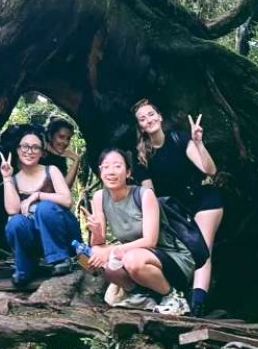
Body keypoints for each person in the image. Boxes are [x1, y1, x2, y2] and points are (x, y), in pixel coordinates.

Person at [132, 99, 224, 316]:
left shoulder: (180, 139)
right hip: (173, 209)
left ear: (160, 116)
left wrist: (199, 143)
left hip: (202, 200)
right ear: (140, 127)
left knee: (202, 249)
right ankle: (175, 297)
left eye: (151, 114)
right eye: (143, 118)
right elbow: (148, 194)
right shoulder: (142, 156)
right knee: (176, 252)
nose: (149, 120)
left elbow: (209, 170)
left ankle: (197, 305)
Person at [84, 148, 192, 315]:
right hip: (134, 256)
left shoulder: (143, 195)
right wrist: (97, 233)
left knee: (131, 259)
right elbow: (98, 245)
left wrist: (114, 250)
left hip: (171, 256)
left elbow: (150, 241)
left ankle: (174, 298)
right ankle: (142, 297)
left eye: (117, 166)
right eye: (105, 167)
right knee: (96, 259)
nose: (111, 171)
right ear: (100, 172)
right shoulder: (99, 197)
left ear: (128, 172)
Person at [0, 124, 81, 288]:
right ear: (17, 150)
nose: (29, 151)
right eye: (25, 146)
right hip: (38, 239)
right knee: (15, 222)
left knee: (45, 208)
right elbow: (12, 210)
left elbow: (67, 200)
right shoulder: (15, 179)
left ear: (42, 153)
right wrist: (7, 178)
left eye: (35, 147)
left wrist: (37, 195)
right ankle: (25, 268)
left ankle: (60, 259)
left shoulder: (51, 171)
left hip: (64, 234)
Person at [44, 116, 83, 188]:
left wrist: (76, 160)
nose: (65, 142)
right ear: (50, 136)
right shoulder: (38, 154)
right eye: (61, 137)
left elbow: (65, 188)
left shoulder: (60, 159)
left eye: (68, 138)